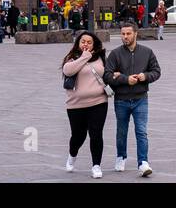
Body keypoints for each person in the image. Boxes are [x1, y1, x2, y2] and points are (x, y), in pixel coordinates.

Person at [104, 20, 160, 176]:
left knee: (141, 131)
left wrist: (145, 76)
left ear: (136, 33)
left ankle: (143, 162)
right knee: (121, 131)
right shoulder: (115, 54)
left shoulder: (147, 52)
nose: (125, 36)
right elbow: (107, 75)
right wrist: (124, 79)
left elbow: (156, 71)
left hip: (140, 98)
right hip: (121, 99)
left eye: (128, 33)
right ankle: (121, 157)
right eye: (123, 34)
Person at [62, 30, 110, 177]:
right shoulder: (72, 58)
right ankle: (72, 155)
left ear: (94, 44)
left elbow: (107, 73)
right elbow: (68, 71)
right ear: (78, 43)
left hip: (98, 102)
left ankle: (96, 166)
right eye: (83, 42)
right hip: (75, 105)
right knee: (78, 135)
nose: (86, 44)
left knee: (96, 134)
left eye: (89, 42)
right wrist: (84, 57)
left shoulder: (100, 57)